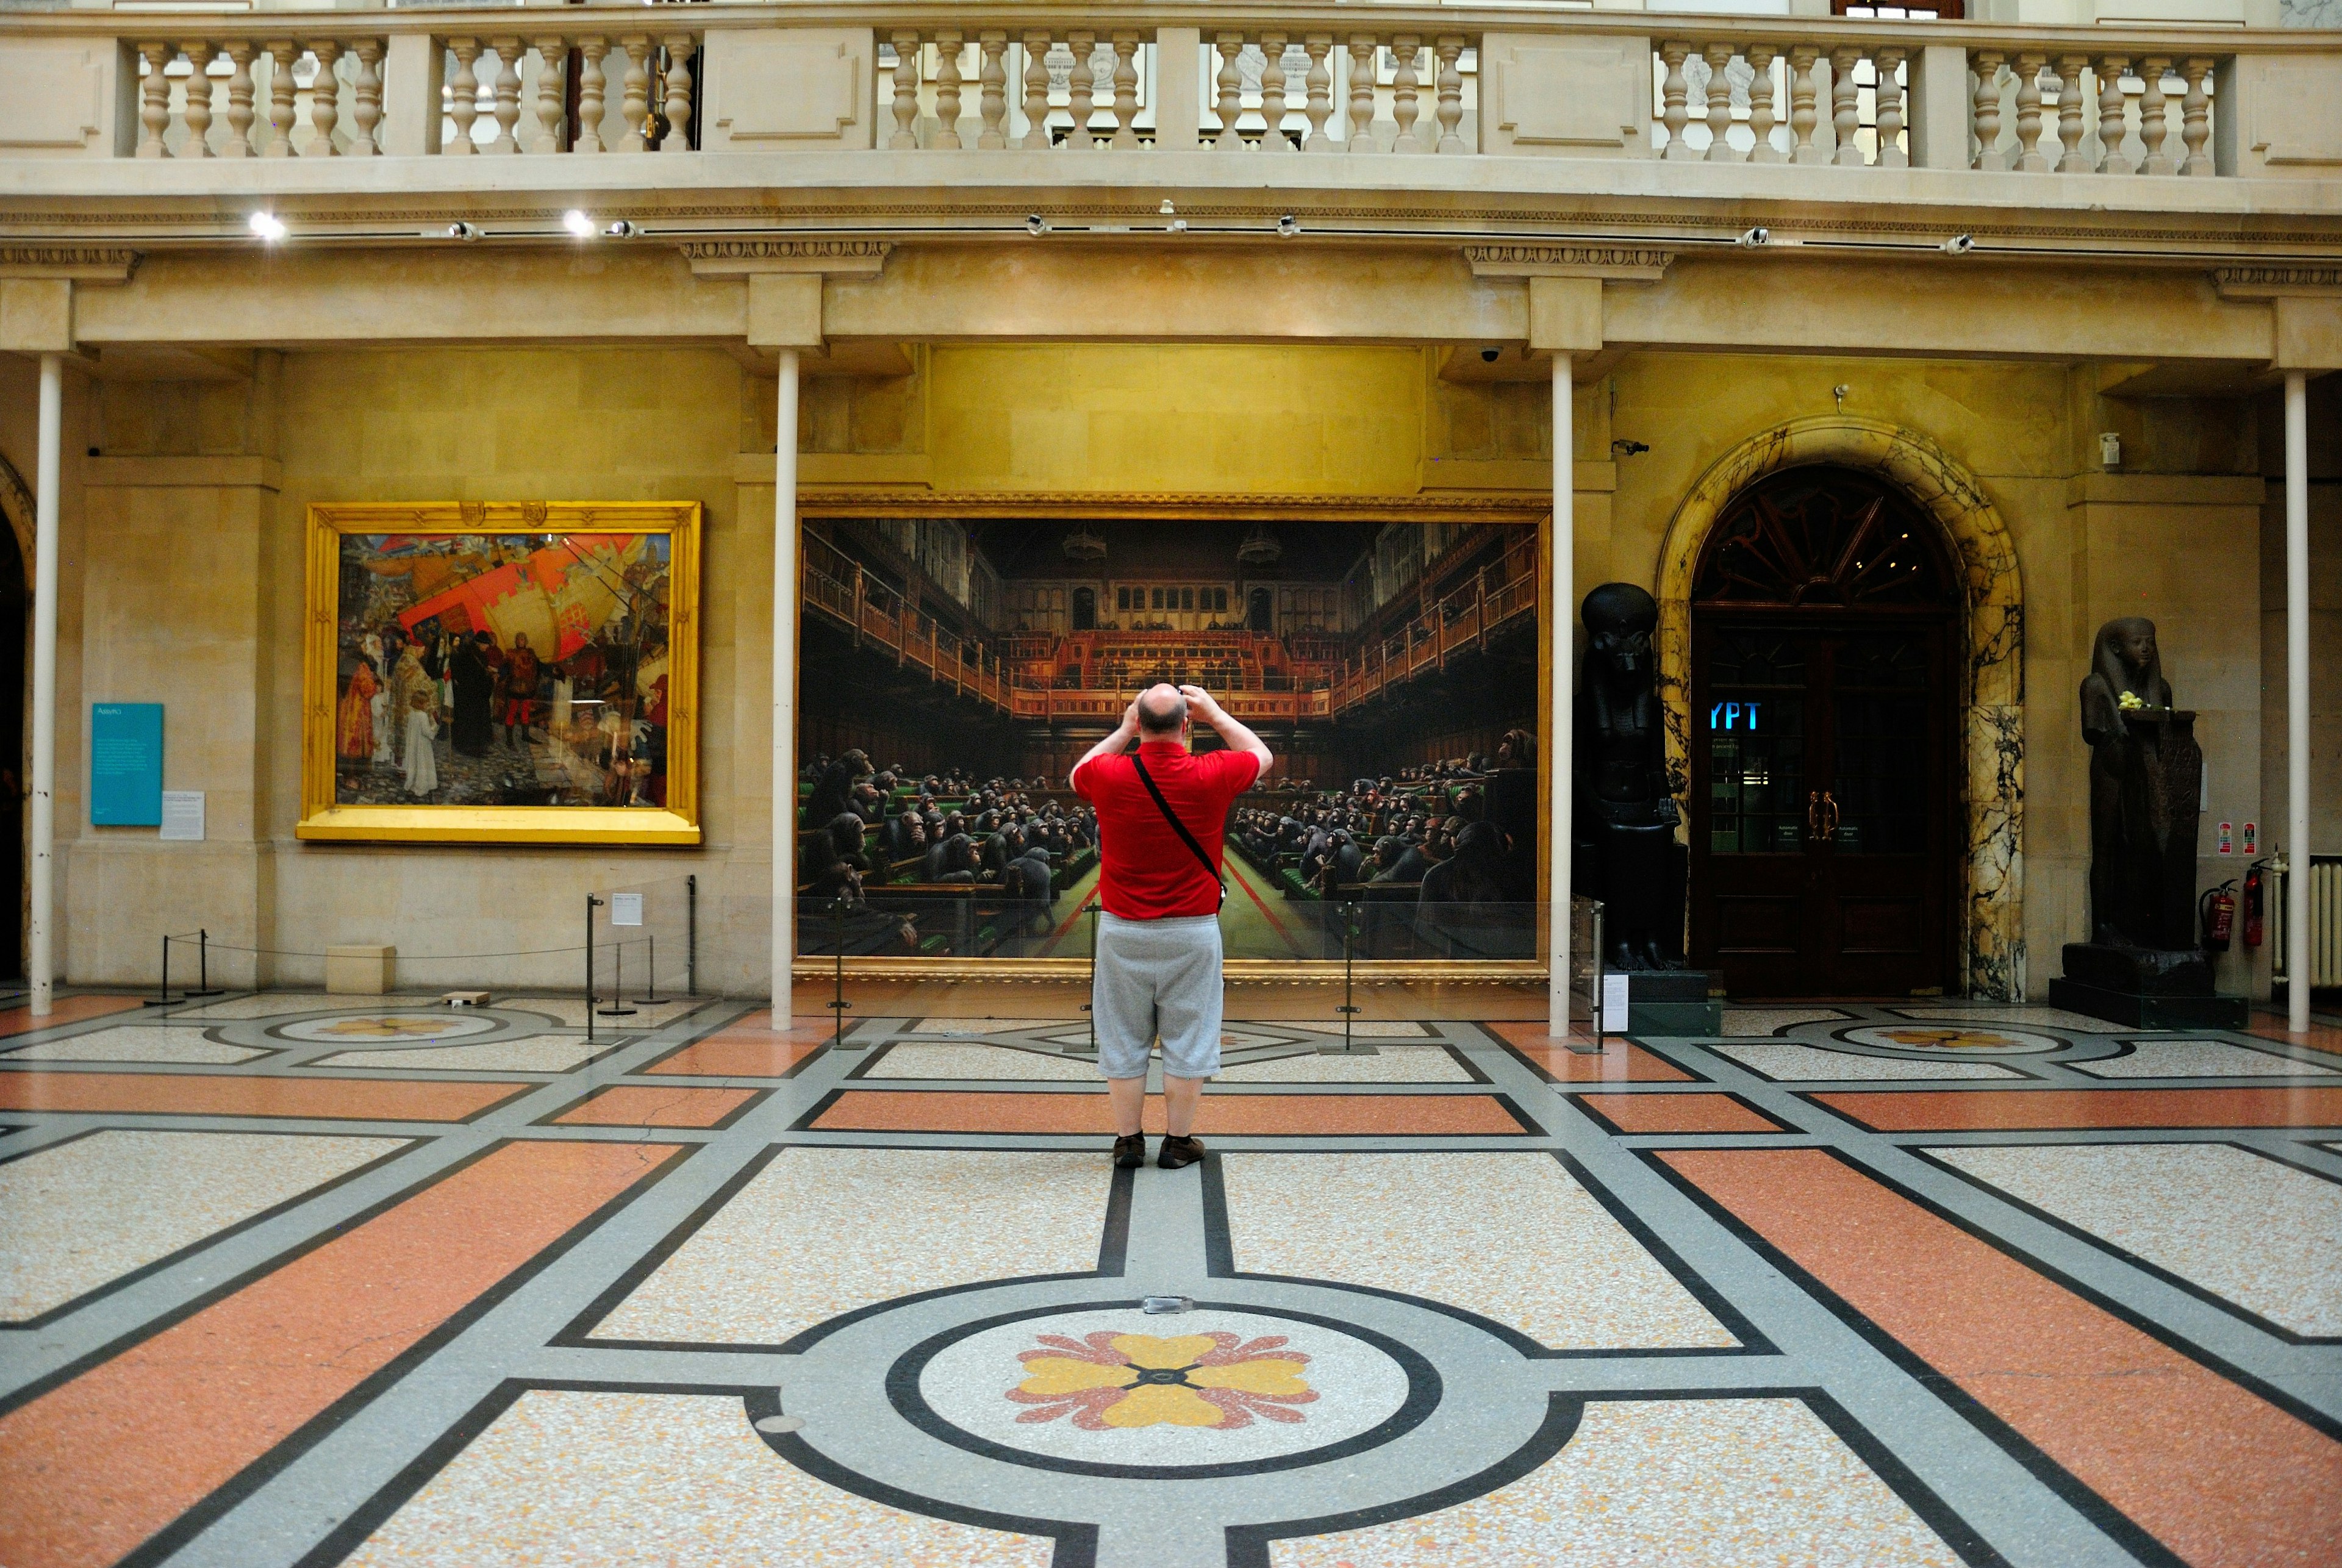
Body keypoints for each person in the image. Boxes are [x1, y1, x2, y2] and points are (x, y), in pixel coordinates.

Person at [1072, 683, 1273, 1172]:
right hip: (1193, 932)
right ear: (1187, 726)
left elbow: (1075, 771)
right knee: (1189, 1036)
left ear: (1140, 723)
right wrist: (1219, 713)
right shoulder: (1212, 772)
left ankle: (1128, 1142)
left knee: (1122, 1036)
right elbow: (1262, 755)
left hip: (1122, 931)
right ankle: (1178, 1142)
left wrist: (1122, 730)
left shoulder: (1109, 774)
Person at [500, 631, 542, 753]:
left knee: (525, 711)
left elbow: (537, 667)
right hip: (515, 687)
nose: (520, 641)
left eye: (522, 639)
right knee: (512, 711)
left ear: (525, 641)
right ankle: (509, 740)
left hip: (528, 687)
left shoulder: (531, 653)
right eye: (518, 639)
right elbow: (505, 668)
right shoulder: (511, 654)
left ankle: (525, 735)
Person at [402, 692, 440, 798]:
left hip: (413, 742)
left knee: (414, 762)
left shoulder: (412, 713)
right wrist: (435, 726)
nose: (428, 706)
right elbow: (426, 732)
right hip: (422, 744)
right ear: (420, 704)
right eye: (426, 704)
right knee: (422, 763)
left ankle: (412, 783)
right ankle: (422, 786)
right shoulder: (422, 716)